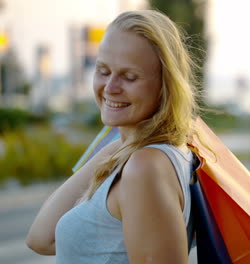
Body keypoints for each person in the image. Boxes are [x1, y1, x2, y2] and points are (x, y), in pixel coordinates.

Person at [26, 9, 199, 263]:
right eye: (103, 71)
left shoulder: (146, 167)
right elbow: (41, 238)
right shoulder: (137, 153)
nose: (110, 88)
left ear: (166, 85)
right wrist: (125, 142)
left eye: (130, 77)